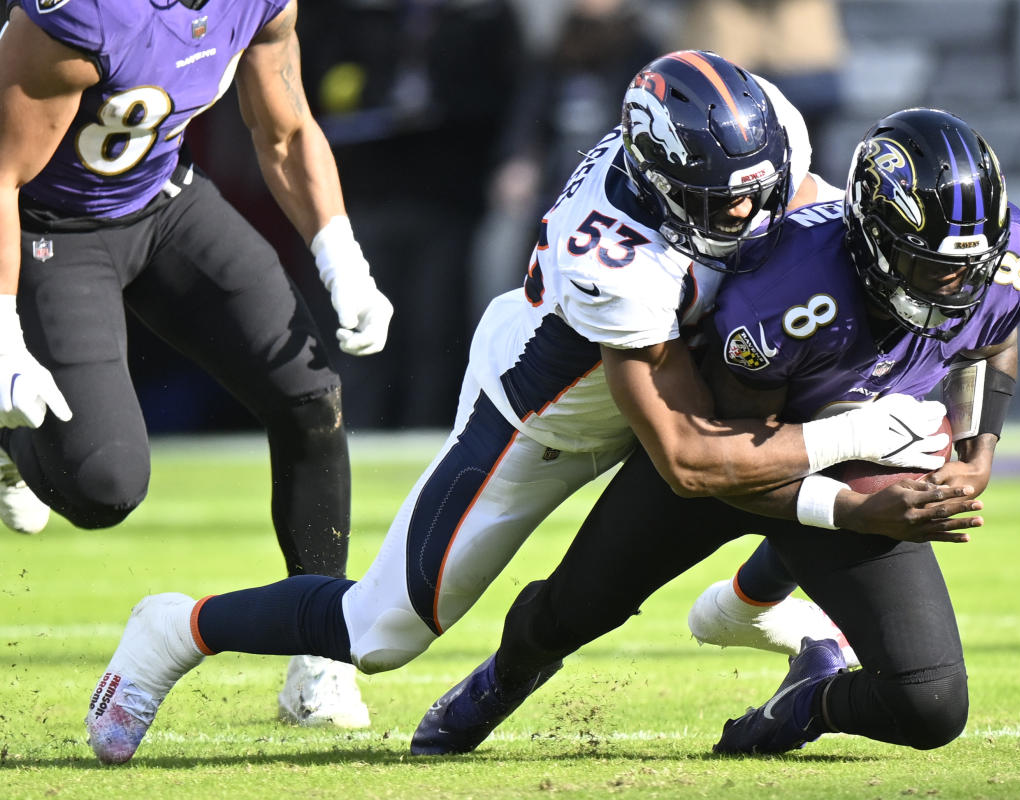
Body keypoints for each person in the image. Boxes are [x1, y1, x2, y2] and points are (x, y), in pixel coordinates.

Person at [80, 51, 962, 765]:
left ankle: (758, 602)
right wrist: (852, 433)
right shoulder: (615, 255)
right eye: (718, 198)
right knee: (384, 629)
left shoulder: (762, 130)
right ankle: (179, 628)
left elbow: (803, 223)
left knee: (794, 418)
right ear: (658, 183)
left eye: (754, 188)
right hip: (549, 418)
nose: (743, 209)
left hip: (686, 379)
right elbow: (691, 457)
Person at [406, 107, 1020, 757]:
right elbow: (717, 465)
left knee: (929, 704)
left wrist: (977, 448)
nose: (955, 285)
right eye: (931, 266)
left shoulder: (1005, 259)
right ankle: (504, 677)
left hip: (859, 456)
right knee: (574, 611)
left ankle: (804, 702)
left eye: (968, 266)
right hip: (734, 458)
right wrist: (853, 510)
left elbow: (993, 337)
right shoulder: (791, 292)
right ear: (872, 236)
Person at [0, 0, 394, 728]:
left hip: (162, 200)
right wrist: (3, 336)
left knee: (310, 395)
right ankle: (9, 442)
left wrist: (342, 256)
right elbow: (1, 176)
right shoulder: (83, 14)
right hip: (50, 227)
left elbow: (285, 126)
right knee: (102, 487)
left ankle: (320, 654)